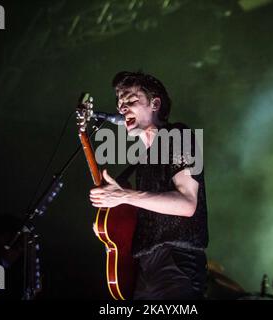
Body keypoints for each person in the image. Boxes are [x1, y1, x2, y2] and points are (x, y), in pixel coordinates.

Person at [89, 71, 209, 300]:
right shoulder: (143, 158)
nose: (122, 108)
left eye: (131, 100)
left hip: (176, 261)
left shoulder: (179, 135)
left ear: (155, 103)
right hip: (145, 268)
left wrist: (124, 196)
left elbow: (187, 204)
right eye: (120, 103)